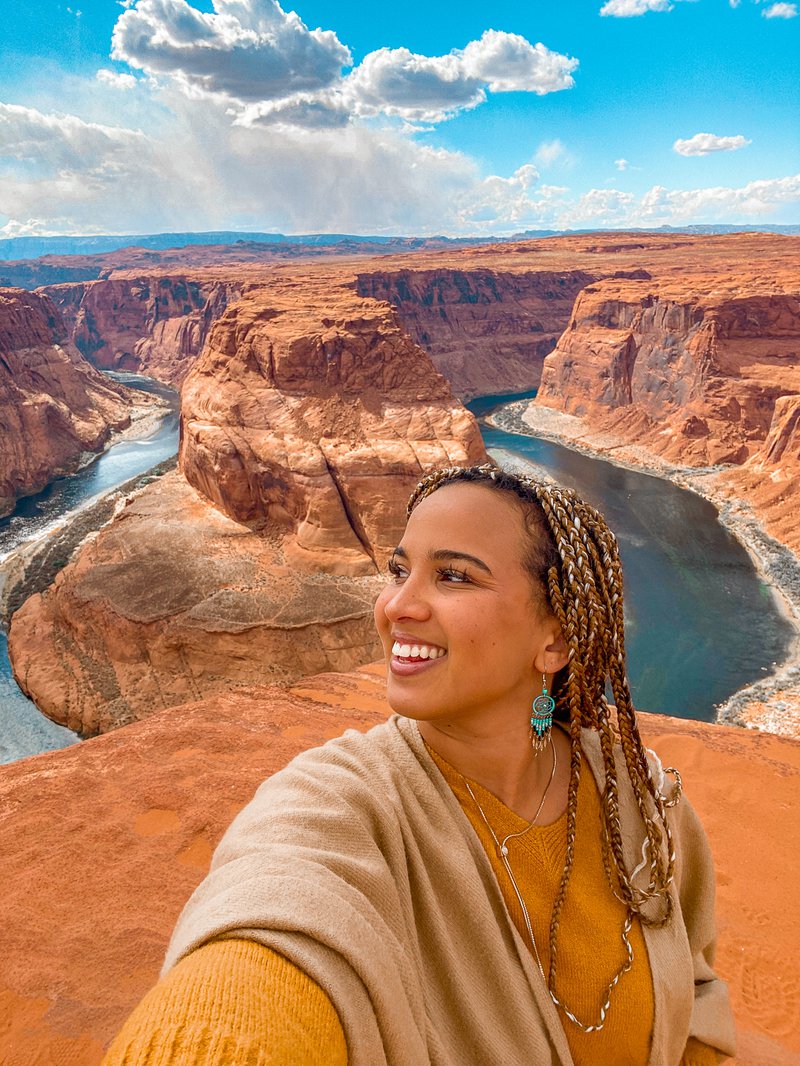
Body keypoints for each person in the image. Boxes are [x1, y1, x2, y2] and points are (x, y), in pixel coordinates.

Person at [103, 463, 736, 1066]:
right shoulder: (340, 802)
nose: (397, 606)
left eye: (454, 576)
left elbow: (696, 987)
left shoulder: (640, 796)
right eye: (398, 571)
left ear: (557, 639)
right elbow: (271, 921)